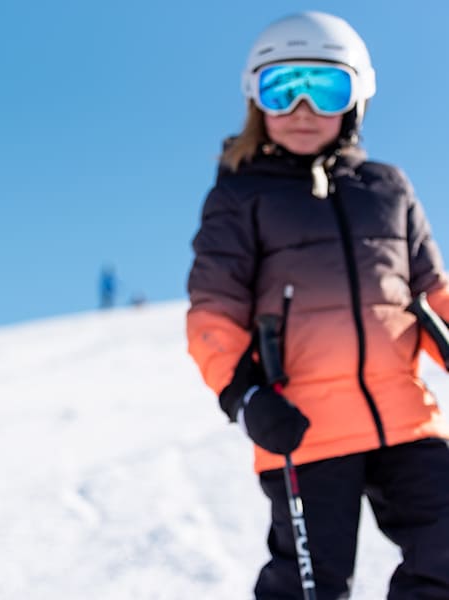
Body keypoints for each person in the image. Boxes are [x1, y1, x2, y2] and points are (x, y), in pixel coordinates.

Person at [186, 12, 449, 599]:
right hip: (304, 426)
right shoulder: (240, 193)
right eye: (284, 90)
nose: (303, 108)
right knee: (309, 585)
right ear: (258, 100)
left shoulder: (388, 188)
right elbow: (212, 313)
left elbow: (433, 291)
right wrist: (245, 394)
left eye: (324, 89)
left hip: (407, 416)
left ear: (356, 99)